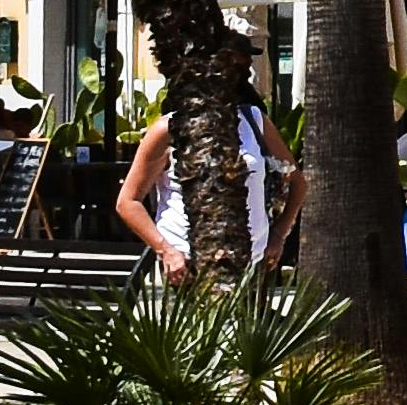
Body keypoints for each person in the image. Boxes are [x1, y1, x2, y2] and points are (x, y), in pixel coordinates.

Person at [117, 96, 300, 282]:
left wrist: (278, 235)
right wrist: (166, 251)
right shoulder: (168, 129)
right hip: (187, 270)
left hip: (251, 266)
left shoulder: (254, 120)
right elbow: (127, 202)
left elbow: (297, 183)